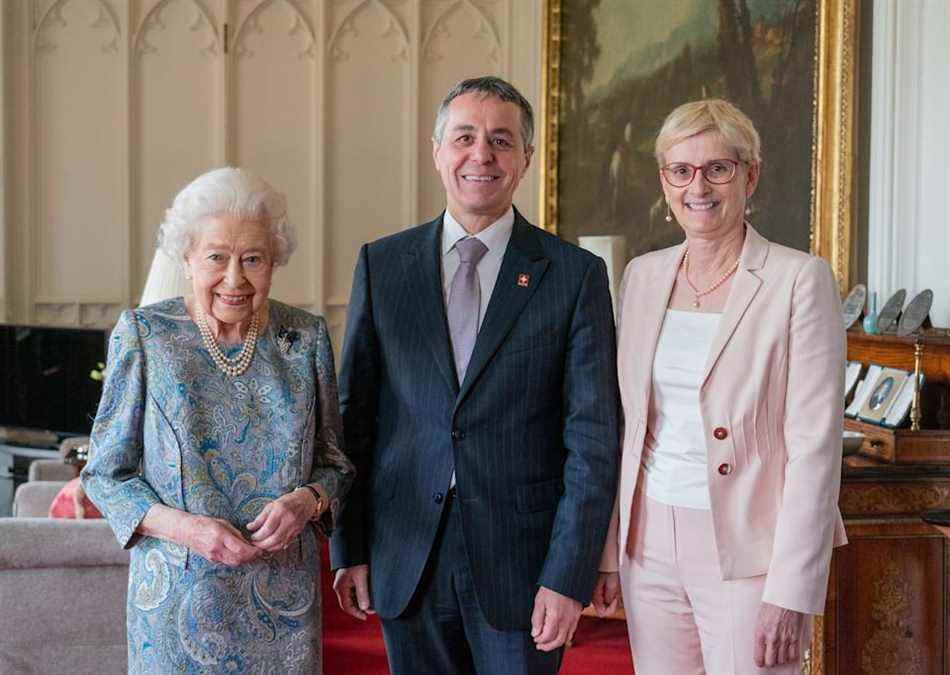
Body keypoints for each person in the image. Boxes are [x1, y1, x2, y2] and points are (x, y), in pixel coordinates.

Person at [330, 76, 620, 674]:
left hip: (525, 568)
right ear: (438, 151)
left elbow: (593, 440)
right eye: (464, 137)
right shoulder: (382, 266)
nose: (481, 154)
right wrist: (348, 549)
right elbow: (353, 421)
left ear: (525, 160)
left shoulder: (574, 276)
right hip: (407, 556)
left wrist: (568, 576)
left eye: (501, 140)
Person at [592, 99, 848, 674]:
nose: (698, 186)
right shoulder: (642, 276)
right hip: (648, 541)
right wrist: (610, 550)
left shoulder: (799, 280)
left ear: (749, 174)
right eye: (681, 171)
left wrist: (793, 589)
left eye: (718, 169)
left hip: (750, 546)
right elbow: (626, 426)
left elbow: (814, 448)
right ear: (664, 181)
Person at [81, 167, 354, 673]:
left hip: (284, 604)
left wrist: (308, 500)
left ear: (274, 262)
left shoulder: (305, 339)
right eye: (216, 258)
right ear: (187, 259)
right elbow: (105, 475)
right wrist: (188, 530)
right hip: (175, 599)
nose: (235, 279)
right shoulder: (146, 336)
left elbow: (336, 464)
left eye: (253, 259)